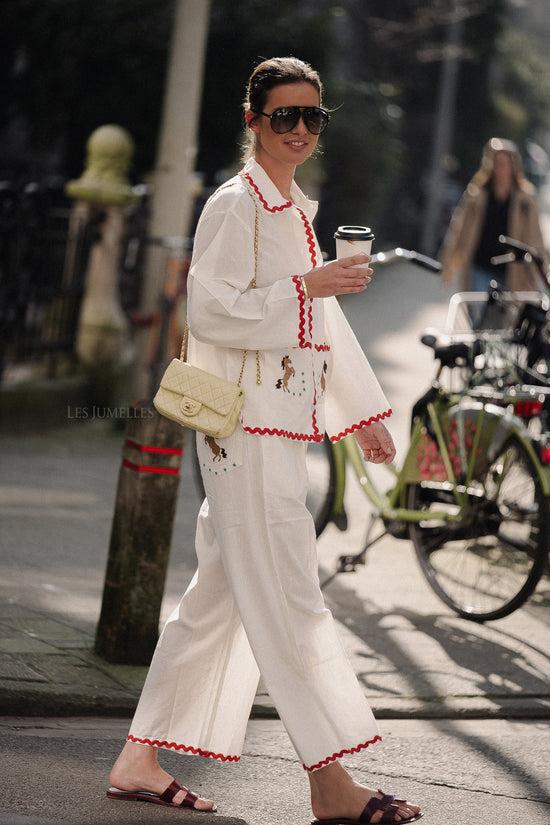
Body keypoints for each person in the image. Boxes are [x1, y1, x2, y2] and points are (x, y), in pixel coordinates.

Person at [107, 56, 422, 825]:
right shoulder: (234, 203)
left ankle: (139, 760)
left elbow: (326, 325)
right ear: (253, 121)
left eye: (314, 116)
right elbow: (210, 309)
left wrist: (364, 413)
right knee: (290, 597)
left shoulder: (292, 212)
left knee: (219, 598)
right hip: (243, 431)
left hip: (282, 428)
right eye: (286, 116)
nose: (302, 130)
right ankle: (331, 784)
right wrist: (306, 288)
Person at [440, 137, 547, 294]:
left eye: (504, 165)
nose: (499, 169)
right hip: (480, 265)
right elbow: (458, 229)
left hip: (511, 271)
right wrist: (448, 264)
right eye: (496, 164)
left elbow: (535, 238)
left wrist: (539, 273)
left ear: (513, 167)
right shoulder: (477, 194)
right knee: (478, 312)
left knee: (503, 317)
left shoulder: (525, 199)